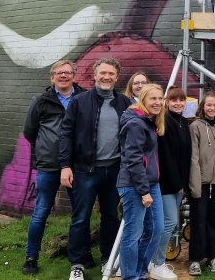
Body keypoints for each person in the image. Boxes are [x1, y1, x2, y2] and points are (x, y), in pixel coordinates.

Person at [59, 58, 132, 280]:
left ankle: (107, 259)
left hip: (115, 171)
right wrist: (65, 166)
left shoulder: (124, 102)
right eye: (103, 73)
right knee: (81, 218)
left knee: (111, 217)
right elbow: (66, 133)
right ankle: (77, 264)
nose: (106, 77)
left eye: (111, 74)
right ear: (95, 74)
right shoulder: (79, 102)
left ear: (117, 77)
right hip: (85, 171)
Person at [22, 60, 85, 275]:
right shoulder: (41, 101)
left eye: (67, 72)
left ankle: (81, 255)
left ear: (74, 76)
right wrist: (46, 148)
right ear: (52, 78)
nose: (63, 76)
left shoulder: (83, 98)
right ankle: (31, 257)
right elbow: (30, 131)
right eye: (59, 73)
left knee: (79, 213)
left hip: (77, 166)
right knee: (41, 212)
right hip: (49, 165)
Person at [116, 84, 166, 280]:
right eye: (153, 98)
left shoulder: (148, 121)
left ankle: (139, 272)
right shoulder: (136, 124)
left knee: (156, 229)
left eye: (160, 98)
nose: (158, 102)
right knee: (133, 233)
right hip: (134, 185)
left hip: (151, 183)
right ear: (143, 100)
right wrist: (144, 191)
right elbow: (133, 159)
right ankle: (130, 276)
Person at [149, 87, 193, 280]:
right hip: (167, 183)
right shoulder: (165, 121)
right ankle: (156, 263)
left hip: (179, 184)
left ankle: (153, 261)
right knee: (168, 223)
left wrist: (184, 184)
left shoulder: (184, 122)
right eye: (174, 100)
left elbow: (185, 156)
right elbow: (166, 158)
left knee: (168, 223)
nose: (178, 103)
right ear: (167, 102)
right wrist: (178, 184)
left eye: (181, 100)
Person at [188, 91, 215, 275]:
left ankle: (213, 257)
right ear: (203, 106)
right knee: (198, 222)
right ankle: (195, 259)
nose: (212, 108)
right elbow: (193, 158)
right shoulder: (195, 126)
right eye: (208, 105)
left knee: (214, 222)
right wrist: (195, 186)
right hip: (200, 184)